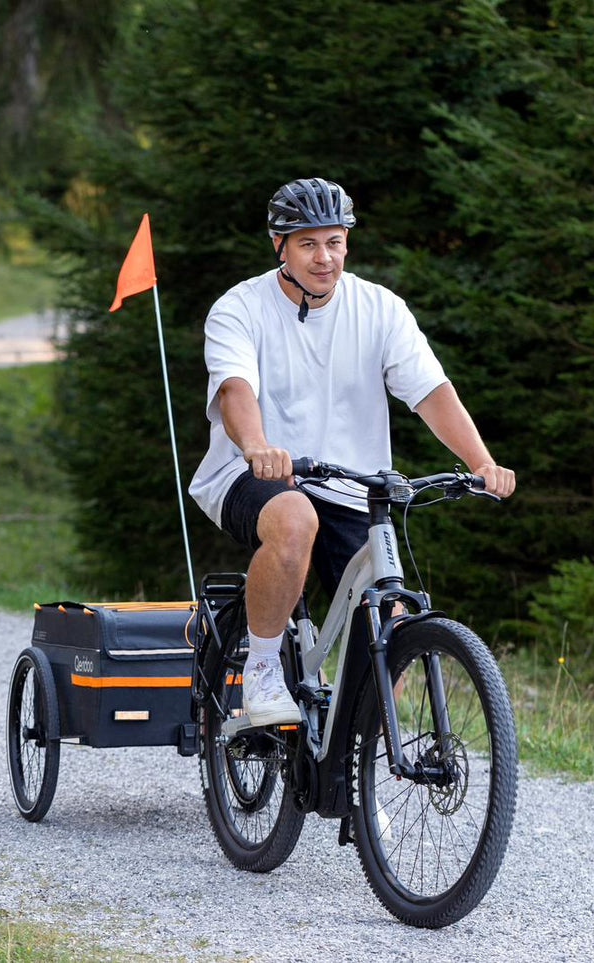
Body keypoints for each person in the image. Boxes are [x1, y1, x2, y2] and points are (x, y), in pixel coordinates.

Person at [188, 177, 516, 726]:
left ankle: (351, 761)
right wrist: (258, 447)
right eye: (308, 244)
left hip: (349, 482)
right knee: (294, 519)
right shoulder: (239, 308)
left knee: (392, 619)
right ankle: (264, 672)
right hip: (252, 474)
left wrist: (481, 462)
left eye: (334, 242)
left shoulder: (379, 309)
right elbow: (236, 389)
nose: (324, 258)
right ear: (280, 245)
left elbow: (432, 393)